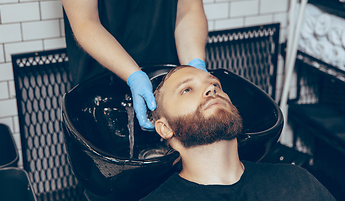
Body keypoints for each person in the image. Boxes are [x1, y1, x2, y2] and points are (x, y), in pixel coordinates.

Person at [49, 0, 209, 131]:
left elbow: (189, 9)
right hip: (100, 83)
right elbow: (85, 22)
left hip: (170, 79)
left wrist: (195, 68)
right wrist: (134, 76)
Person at [140, 65, 336, 201]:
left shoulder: (296, 181)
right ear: (165, 128)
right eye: (187, 89)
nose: (211, 89)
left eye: (215, 84)